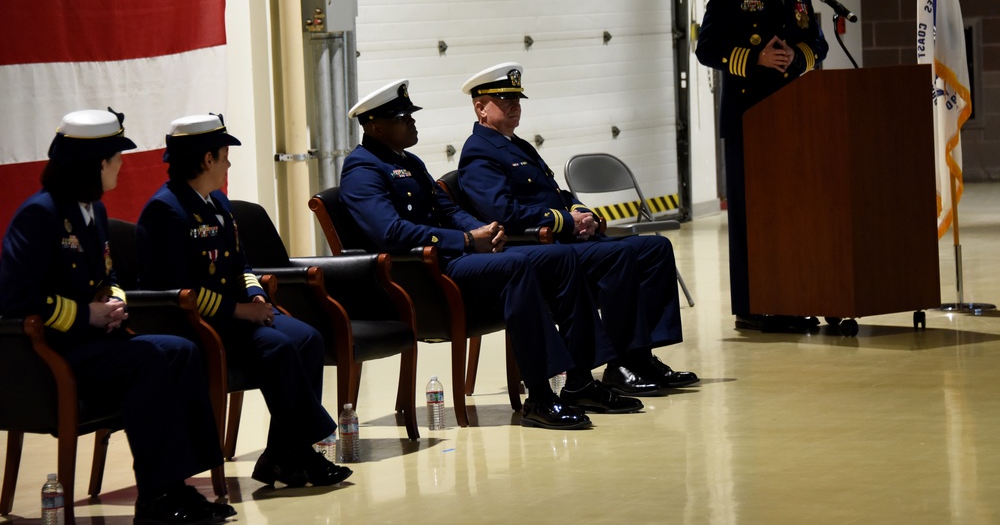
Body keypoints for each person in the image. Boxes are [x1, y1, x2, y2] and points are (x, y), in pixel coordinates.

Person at [339, 80, 646, 428]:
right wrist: (467, 241)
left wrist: (484, 231)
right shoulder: (362, 170)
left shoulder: (409, 161)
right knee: (516, 266)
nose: (412, 122)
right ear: (375, 126)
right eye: (402, 118)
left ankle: (580, 381)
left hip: (455, 261)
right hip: (424, 276)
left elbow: (447, 209)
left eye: (411, 115)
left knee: (561, 259)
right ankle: (541, 396)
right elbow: (390, 233)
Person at [0, 109, 235, 525]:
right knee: (146, 360)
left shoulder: (93, 212)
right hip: (53, 352)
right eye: (116, 158)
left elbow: (107, 273)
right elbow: (15, 298)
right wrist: (84, 315)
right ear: (96, 165)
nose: (122, 166)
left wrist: (113, 302)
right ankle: (156, 496)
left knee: (180, 350)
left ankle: (181, 483)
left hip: (94, 343)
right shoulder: (42, 214)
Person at [136, 114, 351, 489]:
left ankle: (283, 454)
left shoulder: (217, 203)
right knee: (279, 346)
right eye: (224, 155)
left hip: (237, 313)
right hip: (199, 324)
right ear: (206, 160)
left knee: (308, 338)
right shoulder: (166, 210)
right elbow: (175, 291)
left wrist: (255, 294)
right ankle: (301, 451)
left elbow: (241, 265)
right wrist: (240, 310)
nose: (228, 163)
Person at [457, 63, 698, 394]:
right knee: (618, 256)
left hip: (563, 238)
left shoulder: (518, 145)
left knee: (655, 248)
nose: (515, 106)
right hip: (538, 249)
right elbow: (502, 213)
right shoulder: (478, 153)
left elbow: (557, 193)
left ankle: (642, 355)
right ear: (480, 108)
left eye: (517, 99)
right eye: (504, 100)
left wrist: (579, 211)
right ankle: (620, 364)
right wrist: (565, 222)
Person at [695, 0, 829, 330]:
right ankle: (753, 308)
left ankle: (789, 298)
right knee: (752, 217)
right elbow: (706, 49)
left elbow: (817, 44)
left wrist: (797, 58)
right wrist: (757, 59)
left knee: (791, 213)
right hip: (748, 120)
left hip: (792, 120)